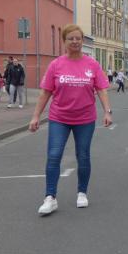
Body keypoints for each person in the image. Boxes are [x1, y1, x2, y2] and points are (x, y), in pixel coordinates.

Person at [29, 24, 112, 215]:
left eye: (78, 38)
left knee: (83, 155)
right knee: (54, 155)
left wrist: (107, 112)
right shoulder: (56, 65)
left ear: (82, 41)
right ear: (64, 42)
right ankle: (50, 198)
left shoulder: (92, 64)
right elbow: (45, 92)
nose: (75, 42)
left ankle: (82, 193)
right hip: (59, 117)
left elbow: (101, 90)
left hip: (85, 118)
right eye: (71, 39)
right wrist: (36, 116)